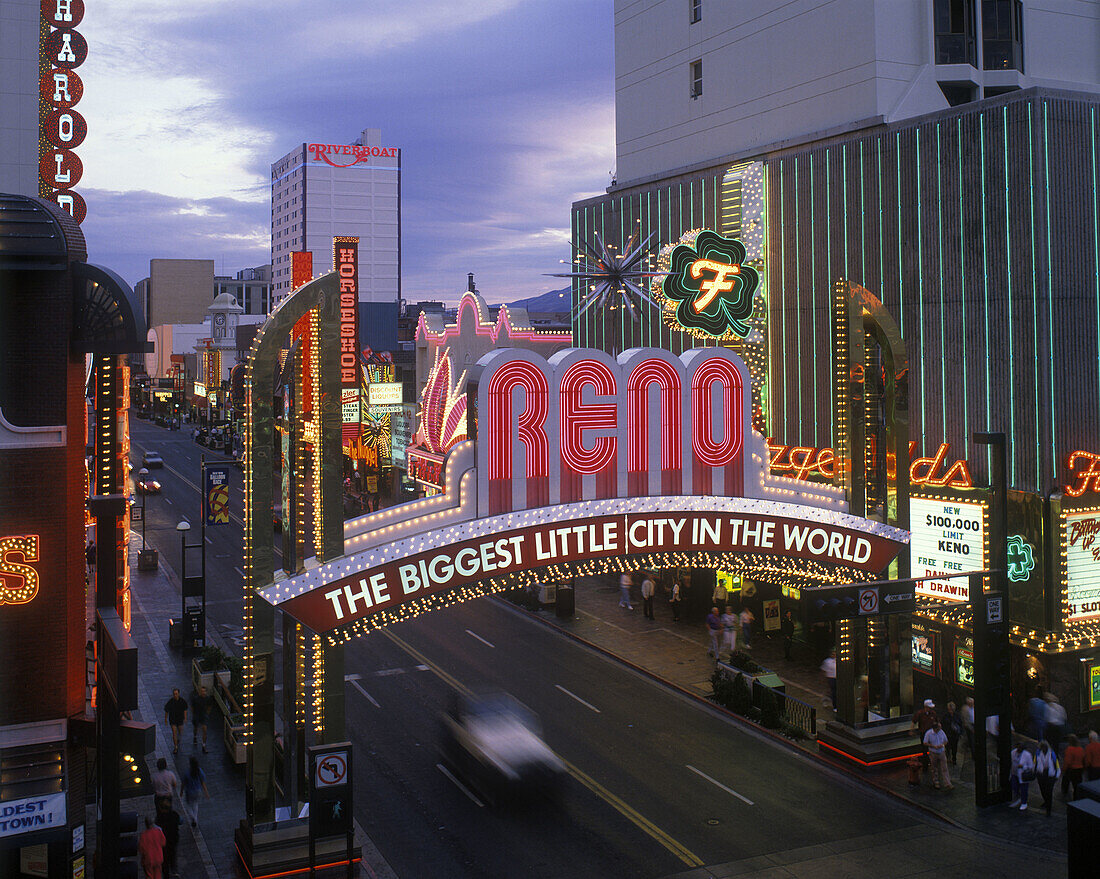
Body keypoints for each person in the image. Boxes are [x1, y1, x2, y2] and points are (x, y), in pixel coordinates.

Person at [923, 721, 953, 790]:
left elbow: (946, 741)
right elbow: (925, 742)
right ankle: (936, 781)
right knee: (934, 768)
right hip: (933, 752)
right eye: (939, 728)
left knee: (944, 767)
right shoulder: (929, 733)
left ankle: (947, 783)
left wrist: (942, 745)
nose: (940, 729)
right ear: (935, 728)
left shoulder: (941, 732)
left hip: (941, 751)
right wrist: (933, 746)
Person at [155, 800, 181, 878]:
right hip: (174, 838)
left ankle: (166, 874)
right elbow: (180, 821)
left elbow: (157, 829)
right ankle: (174, 870)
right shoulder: (174, 814)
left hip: (164, 841)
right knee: (173, 854)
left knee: (165, 858)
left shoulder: (159, 818)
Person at [181, 757, 210, 827]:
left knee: (188, 805)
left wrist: (181, 791)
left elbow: (183, 783)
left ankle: (193, 817)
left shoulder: (187, 773)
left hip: (189, 792)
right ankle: (195, 819)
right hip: (198, 791)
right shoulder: (200, 771)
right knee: (195, 804)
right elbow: (203, 783)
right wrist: (206, 792)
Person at [1035, 739, 1060, 816]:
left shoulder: (1052, 754)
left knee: (1049, 791)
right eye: (1042, 747)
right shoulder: (1038, 753)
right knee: (1043, 790)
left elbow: (1057, 765)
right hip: (1041, 774)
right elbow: (1035, 763)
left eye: (1045, 747)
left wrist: (1057, 775)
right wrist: (1035, 771)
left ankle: (1048, 809)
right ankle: (1046, 801)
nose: (1043, 749)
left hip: (1050, 775)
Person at [911, 699, 938, 770]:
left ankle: (933, 764)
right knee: (924, 750)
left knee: (933, 749)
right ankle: (925, 766)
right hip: (923, 734)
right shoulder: (920, 713)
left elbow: (937, 722)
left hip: (932, 734)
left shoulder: (933, 713)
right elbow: (913, 721)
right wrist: (912, 730)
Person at [163, 688, 187, 755]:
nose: (175, 695)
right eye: (174, 694)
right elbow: (166, 710)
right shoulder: (171, 701)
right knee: (174, 732)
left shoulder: (182, 701)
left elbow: (185, 709)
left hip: (179, 719)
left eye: (176, 694)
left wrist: (185, 718)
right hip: (173, 719)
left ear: (178, 694)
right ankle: (176, 747)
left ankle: (178, 739)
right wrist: (165, 719)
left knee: (179, 731)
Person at [1062, 734, 1086, 800]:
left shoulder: (1069, 749)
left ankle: (1065, 795)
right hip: (1079, 769)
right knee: (1076, 786)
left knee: (1065, 782)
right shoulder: (1081, 749)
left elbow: (1067, 761)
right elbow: (1083, 759)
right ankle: (1076, 798)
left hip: (1071, 769)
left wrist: (1063, 769)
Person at [190, 685, 212, 753]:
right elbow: (192, 707)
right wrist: (194, 714)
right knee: (196, 727)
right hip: (197, 715)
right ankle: (195, 736)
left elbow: (209, 706)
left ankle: (204, 745)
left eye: (204, 691)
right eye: (202, 691)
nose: (203, 693)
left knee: (205, 730)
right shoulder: (196, 699)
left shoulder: (208, 699)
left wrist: (207, 714)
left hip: (203, 715)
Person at [1015, 744, 1036, 812]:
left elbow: (1031, 766)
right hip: (1015, 773)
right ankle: (1019, 798)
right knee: (1015, 786)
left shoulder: (1027, 755)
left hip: (1024, 775)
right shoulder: (1014, 753)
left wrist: (1023, 767)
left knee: (1024, 789)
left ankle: (1024, 802)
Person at [960, 697, 976, 763]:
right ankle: (974, 755)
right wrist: (971, 729)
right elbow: (965, 720)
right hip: (970, 726)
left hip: (975, 724)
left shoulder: (974, 708)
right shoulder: (965, 709)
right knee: (972, 741)